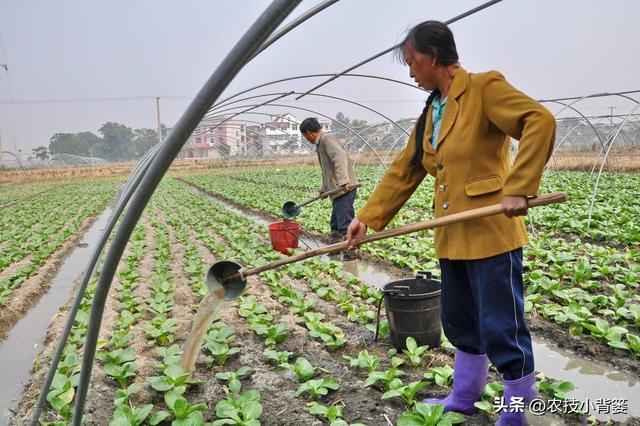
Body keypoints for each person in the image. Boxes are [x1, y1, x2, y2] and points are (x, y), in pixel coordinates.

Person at [346, 21, 555, 426]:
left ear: (434, 57)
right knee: (459, 320)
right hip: (452, 234)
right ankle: (463, 395)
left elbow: (539, 120)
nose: (411, 72)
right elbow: (405, 170)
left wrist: (519, 186)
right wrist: (366, 219)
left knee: (502, 325)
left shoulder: (484, 88)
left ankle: (517, 408)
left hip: (492, 232)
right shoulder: (431, 111)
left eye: (412, 63)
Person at [299, 117, 359, 259]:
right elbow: (328, 170)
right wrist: (324, 188)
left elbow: (339, 158)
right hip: (337, 190)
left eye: (305, 136)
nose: (306, 139)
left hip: (344, 189)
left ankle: (351, 253)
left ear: (308, 132)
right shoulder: (320, 144)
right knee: (335, 223)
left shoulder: (327, 140)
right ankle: (336, 249)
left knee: (344, 223)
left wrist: (344, 181)